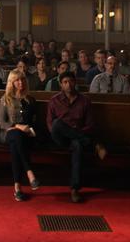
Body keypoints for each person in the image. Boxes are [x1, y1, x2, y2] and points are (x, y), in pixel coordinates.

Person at [46, 72, 107, 203]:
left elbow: (90, 125)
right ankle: (93, 144)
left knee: (77, 145)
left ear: (75, 82)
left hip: (77, 138)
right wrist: (68, 131)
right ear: (61, 85)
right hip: (60, 138)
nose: (68, 85)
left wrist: (75, 133)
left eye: (70, 81)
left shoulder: (84, 101)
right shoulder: (54, 100)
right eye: (65, 82)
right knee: (57, 123)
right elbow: (51, 125)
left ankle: (75, 189)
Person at [0, 71, 40, 201]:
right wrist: (17, 126)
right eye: (17, 80)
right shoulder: (5, 99)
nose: (20, 82)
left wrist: (28, 129)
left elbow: (35, 122)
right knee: (16, 135)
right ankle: (30, 172)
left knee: (16, 144)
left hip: (25, 135)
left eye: (22, 80)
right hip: (8, 132)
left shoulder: (30, 99)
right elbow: (2, 123)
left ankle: (17, 187)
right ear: (12, 82)